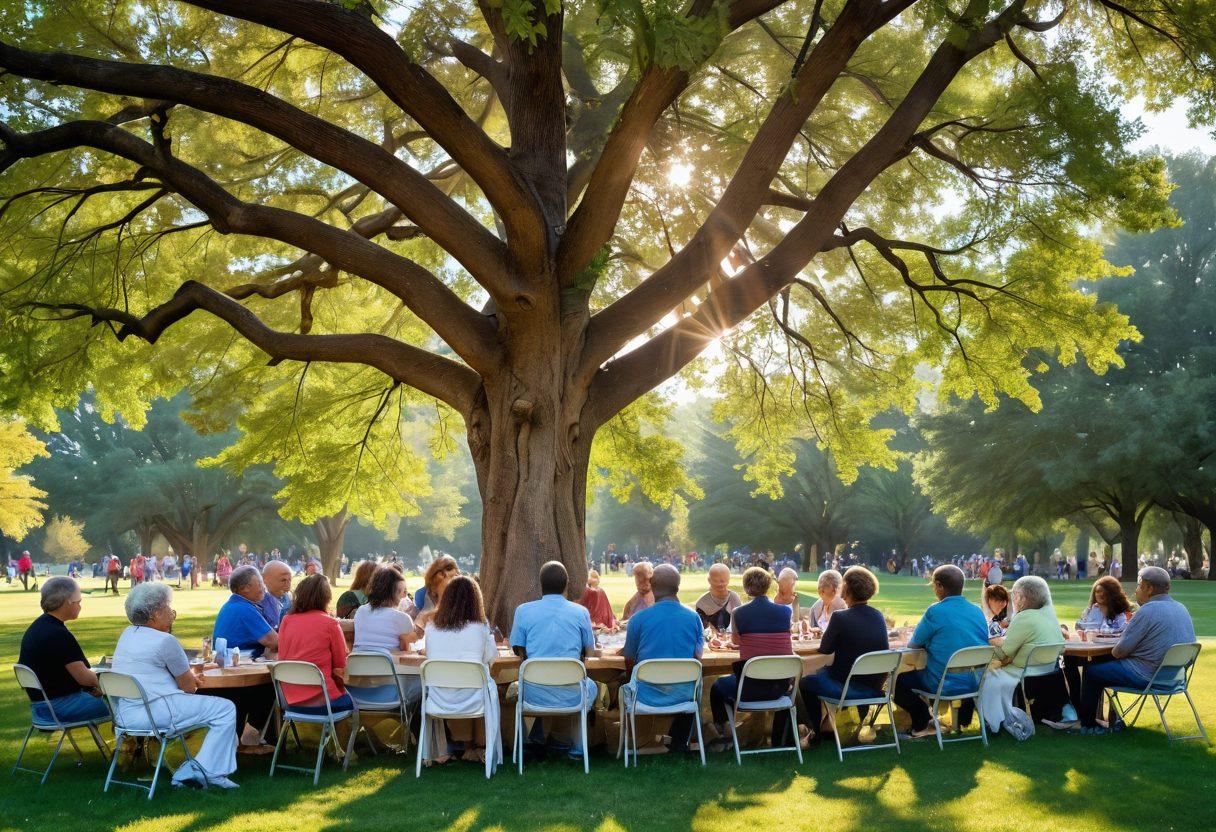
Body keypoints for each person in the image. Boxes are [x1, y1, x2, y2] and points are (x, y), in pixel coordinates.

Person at [110, 582, 239, 788]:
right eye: (168, 609)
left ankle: (207, 769)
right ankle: (199, 770)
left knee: (219, 711)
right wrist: (193, 681)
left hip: (126, 714)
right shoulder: (165, 641)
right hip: (157, 712)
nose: (172, 614)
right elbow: (188, 688)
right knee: (225, 709)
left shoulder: (127, 635)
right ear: (154, 615)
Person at [1076, 567, 1195, 734]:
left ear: (1149, 588)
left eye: (1139, 586)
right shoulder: (1181, 608)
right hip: (1174, 677)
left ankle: (1088, 725)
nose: (1136, 591)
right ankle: (1113, 718)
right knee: (1101, 666)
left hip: (1146, 675)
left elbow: (1119, 652)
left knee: (1091, 671)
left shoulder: (1147, 610)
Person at [510, 561, 599, 757]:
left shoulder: (523, 611)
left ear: (541, 584)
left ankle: (530, 741)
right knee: (591, 687)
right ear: (566, 584)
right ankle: (576, 746)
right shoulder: (580, 612)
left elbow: (518, 651)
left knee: (513, 689)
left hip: (533, 693)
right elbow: (590, 652)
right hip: (572, 693)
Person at [893, 565, 989, 739]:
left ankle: (922, 722)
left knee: (899, 682)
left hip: (943, 683)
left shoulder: (935, 611)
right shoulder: (977, 610)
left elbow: (913, 644)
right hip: (974, 682)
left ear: (939, 586)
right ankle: (936, 720)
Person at [799, 566, 889, 746]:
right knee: (823, 672)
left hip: (848, 687)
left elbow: (825, 649)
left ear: (846, 589)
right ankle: (831, 725)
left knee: (806, 681)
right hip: (874, 686)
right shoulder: (878, 616)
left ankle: (816, 732)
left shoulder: (841, 617)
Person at [709, 567, 796, 751]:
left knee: (717, 686)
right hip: (780, 687)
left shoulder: (739, 613)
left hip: (749, 689)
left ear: (747, 588)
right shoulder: (784, 612)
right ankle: (754, 732)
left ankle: (725, 732)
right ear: (767, 587)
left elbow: (735, 640)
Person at [420, 575, 502, 770]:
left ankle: (467, 746)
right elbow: (492, 658)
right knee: (488, 686)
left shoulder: (432, 629)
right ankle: (481, 747)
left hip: (440, 698)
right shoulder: (480, 629)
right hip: (473, 698)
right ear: (476, 600)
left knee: (473, 684)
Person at [621, 564, 704, 754]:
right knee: (699, 682)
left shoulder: (638, 619)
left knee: (620, 682)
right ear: (678, 586)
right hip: (685, 694)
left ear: (652, 586)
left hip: (645, 693)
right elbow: (697, 658)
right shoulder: (694, 618)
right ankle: (679, 741)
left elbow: (629, 660)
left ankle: (639, 741)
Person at [979, 576, 1068, 731]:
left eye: (1014, 595)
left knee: (987, 674)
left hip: (1022, 670)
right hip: (1047, 668)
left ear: (1020, 597)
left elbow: (1004, 652)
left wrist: (991, 645)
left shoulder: (1024, 617)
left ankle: (993, 723)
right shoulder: (1049, 615)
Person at [18, 577, 110, 725]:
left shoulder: (38, 627)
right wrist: (109, 688)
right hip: (61, 708)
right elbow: (85, 677)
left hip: (41, 708)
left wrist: (93, 687)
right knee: (124, 703)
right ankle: (129, 746)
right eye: (78, 602)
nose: (80, 606)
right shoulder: (58, 634)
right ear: (68, 601)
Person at [276, 574, 351, 715]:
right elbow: (340, 665)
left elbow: (282, 657)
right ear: (326, 598)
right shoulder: (330, 623)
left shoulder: (286, 620)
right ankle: (338, 736)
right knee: (355, 700)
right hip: (324, 700)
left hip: (290, 700)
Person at [214, 566, 279, 659]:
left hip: (229, 662)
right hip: (238, 665)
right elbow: (274, 642)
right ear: (245, 588)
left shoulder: (232, 605)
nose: (264, 588)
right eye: (260, 583)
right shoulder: (244, 609)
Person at [695, 563, 741, 630]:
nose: (719, 584)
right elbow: (701, 631)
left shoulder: (734, 598)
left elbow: (740, 625)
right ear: (709, 580)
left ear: (728, 580)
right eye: (715, 580)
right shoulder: (702, 603)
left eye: (722, 581)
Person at [413, 555, 459, 621]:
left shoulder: (458, 593)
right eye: (451, 576)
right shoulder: (421, 594)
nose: (454, 580)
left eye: (456, 576)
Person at [257, 560, 293, 629]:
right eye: (283, 580)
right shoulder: (259, 601)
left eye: (289, 580)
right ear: (265, 580)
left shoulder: (286, 596)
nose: (288, 584)